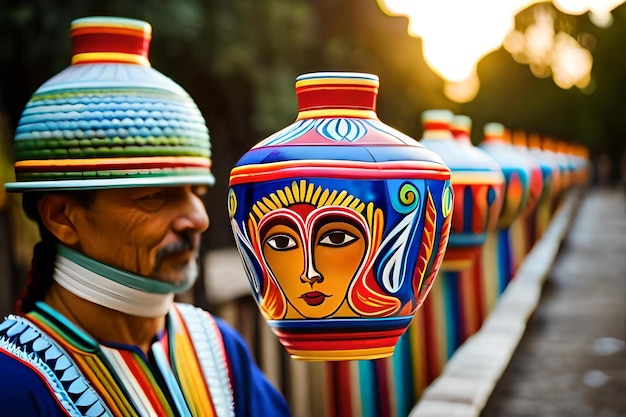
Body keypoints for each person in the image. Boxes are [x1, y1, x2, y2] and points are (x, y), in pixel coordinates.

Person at [0, 16, 290, 417]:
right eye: (155, 197)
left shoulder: (219, 349)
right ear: (62, 217)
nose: (198, 218)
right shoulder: (12, 382)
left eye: (196, 192)